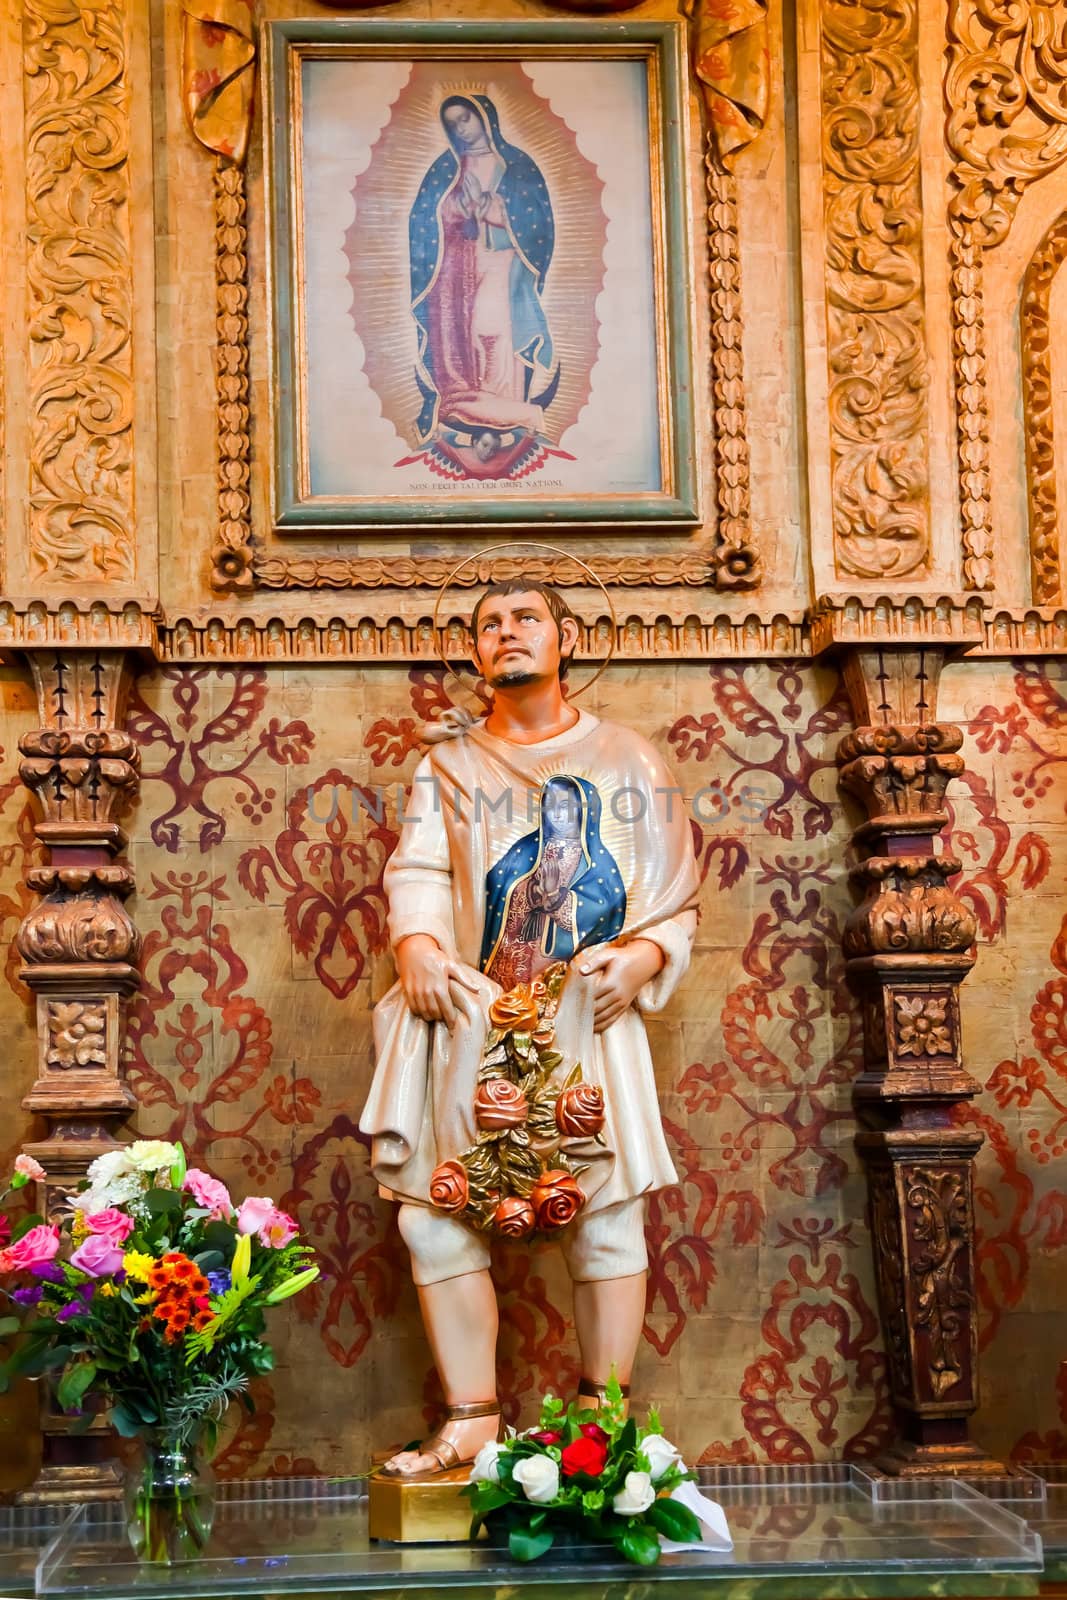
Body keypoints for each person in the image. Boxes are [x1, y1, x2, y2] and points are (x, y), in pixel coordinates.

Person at [360, 581, 698, 1476]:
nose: (505, 634)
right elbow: (421, 867)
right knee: (435, 1220)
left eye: (525, 619)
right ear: (474, 654)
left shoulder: (627, 759)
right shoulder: (450, 766)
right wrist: (421, 946)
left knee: (606, 1217)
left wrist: (647, 957)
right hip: (471, 1011)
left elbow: (671, 887)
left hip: (588, 1012)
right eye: (487, 625)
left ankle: (604, 1421)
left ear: (565, 637)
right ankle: (471, 1419)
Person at [409, 95, 560, 446]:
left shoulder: (517, 164)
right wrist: (454, 209)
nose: (461, 127)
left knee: (492, 332)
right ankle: (493, 414)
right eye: (453, 122)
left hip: (501, 262)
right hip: (454, 271)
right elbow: (422, 221)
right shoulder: (445, 169)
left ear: (484, 117)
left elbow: (539, 223)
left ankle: (504, 408)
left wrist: (499, 213)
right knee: (461, 342)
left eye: (466, 118)